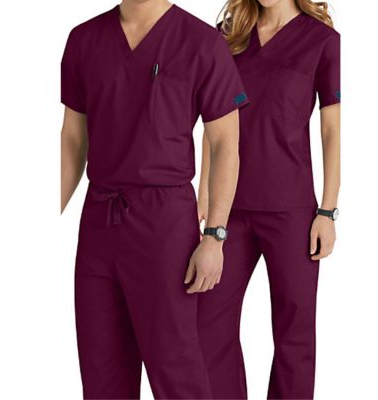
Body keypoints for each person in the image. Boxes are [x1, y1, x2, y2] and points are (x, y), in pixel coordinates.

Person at [60, 0, 249, 398]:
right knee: (100, 370)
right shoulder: (84, 40)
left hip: (165, 223)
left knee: (175, 369)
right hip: (98, 219)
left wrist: (215, 236)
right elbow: (73, 140)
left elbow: (226, 145)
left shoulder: (201, 43)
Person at [197, 0, 340, 399]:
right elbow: (214, 122)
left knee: (295, 334)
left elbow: (331, 130)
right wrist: (204, 191)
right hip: (229, 210)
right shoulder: (229, 36)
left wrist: (328, 210)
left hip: (292, 212)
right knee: (207, 325)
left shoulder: (322, 41)